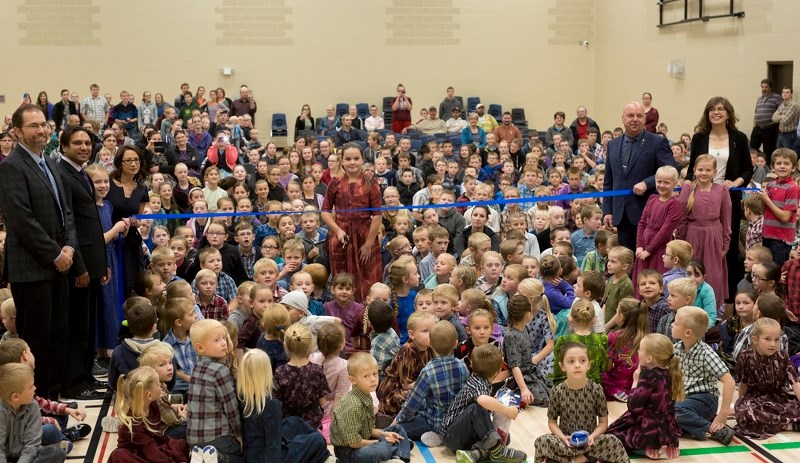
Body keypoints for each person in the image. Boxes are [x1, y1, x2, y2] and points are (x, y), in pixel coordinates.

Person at [0, 105, 77, 400]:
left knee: (58, 335)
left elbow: (65, 213)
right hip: (32, 268)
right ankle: (37, 402)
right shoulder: (11, 166)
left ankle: (53, 399)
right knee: (37, 342)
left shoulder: (50, 162)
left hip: (59, 264)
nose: (41, 130)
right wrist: (55, 254)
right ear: (17, 132)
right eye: (33, 126)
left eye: (44, 124)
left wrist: (68, 247)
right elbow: (21, 221)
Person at [56, 126, 110, 401]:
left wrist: (101, 263)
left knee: (88, 326)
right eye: (77, 143)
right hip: (79, 267)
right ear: (64, 146)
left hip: (92, 261)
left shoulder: (81, 173)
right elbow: (69, 225)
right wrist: (80, 267)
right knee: (77, 327)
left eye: (87, 143)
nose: (84, 147)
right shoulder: (62, 174)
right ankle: (74, 384)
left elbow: (91, 223)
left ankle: (86, 376)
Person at [684, 96, 752, 302]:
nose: (716, 112)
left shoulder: (738, 137)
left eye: (721, 109)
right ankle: (695, 295)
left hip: (726, 194)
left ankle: (728, 301)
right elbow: (690, 170)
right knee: (698, 249)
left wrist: (736, 182)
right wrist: (686, 188)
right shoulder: (699, 137)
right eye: (712, 109)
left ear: (728, 113)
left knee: (727, 248)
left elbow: (748, 169)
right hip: (701, 195)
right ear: (707, 113)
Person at [533, 342, 629, 463]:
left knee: (612, 440)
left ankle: (575, 460)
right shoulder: (557, 391)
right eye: (571, 361)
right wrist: (562, 438)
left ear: (589, 364)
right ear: (562, 366)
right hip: (567, 442)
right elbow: (552, 422)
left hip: (590, 442)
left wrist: (592, 436)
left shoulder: (596, 389)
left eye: (582, 360)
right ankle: (587, 459)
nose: (577, 365)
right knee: (542, 441)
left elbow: (603, 423)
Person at [602, 101, 675, 251]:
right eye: (630, 115)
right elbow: (608, 181)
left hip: (647, 213)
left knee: (645, 259)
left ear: (645, 119)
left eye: (639, 116)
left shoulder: (657, 142)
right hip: (621, 214)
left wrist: (647, 183)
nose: (635, 119)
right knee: (627, 261)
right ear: (622, 118)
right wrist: (608, 211)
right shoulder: (613, 144)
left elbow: (671, 170)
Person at [237, 350, 333, 463]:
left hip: (251, 455)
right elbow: (273, 445)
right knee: (317, 440)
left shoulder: (240, 398)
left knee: (293, 421)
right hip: (270, 458)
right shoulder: (271, 404)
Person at [441, 344, 527, 463]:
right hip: (452, 437)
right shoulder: (478, 384)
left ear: (471, 364)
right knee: (476, 408)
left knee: (503, 437)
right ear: (498, 371)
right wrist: (508, 411)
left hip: (465, 436)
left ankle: (477, 453)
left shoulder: (480, 380)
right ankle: (497, 450)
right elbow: (482, 400)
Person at [320, 143, 382, 303]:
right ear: (342, 160)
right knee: (343, 280)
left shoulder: (372, 183)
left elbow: (377, 216)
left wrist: (368, 244)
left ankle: (369, 318)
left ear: (362, 160)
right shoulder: (334, 183)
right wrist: (338, 230)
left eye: (356, 158)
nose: (352, 162)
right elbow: (325, 211)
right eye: (348, 159)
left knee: (369, 280)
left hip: (365, 236)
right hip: (342, 238)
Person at [607, 333, 683, 460]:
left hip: (648, 429)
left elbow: (633, 407)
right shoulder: (670, 372)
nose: (638, 351)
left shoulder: (648, 375)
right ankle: (664, 444)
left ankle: (648, 447)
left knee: (610, 436)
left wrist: (635, 381)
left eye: (640, 349)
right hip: (667, 428)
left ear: (649, 358)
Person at [330, 352, 411, 463]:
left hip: (363, 439)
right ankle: (396, 450)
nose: (373, 379)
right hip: (349, 452)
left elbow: (366, 429)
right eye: (366, 376)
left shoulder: (365, 394)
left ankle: (398, 456)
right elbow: (354, 443)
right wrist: (380, 441)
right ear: (353, 380)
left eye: (375, 374)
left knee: (397, 429)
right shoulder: (352, 405)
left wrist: (384, 434)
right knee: (382, 448)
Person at [187, 319, 243, 463]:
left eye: (224, 338)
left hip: (193, 440)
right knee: (244, 453)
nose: (224, 343)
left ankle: (199, 457)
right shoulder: (219, 371)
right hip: (218, 438)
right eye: (217, 340)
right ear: (200, 348)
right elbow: (231, 408)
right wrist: (238, 434)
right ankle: (219, 458)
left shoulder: (196, 368)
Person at [107, 366, 189, 463]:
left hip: (152, 445)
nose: (161, 388)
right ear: (149, 395)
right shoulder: (133, 422)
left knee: (181, 444)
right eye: (159, 386)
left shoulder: (153, 405)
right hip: (137, 452)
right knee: (119, 455)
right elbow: (149, 450)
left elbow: (159, 437)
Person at [0, 363, 67, 463]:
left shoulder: (33, 406)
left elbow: (32, 443)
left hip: (26, 457)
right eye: (31, 386)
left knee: (56, 452)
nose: (35, 388)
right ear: (15, 397)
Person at [106, 146, 149, 295]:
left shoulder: (142, 189)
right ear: (119, 163)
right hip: (109, 240)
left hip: (130, 242)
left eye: (136, 160)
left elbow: (139, 216)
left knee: (131, 286)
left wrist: (137, 222)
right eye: (128, 160)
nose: (133, 164)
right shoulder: (108, 184)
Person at [750, 79, 782, 163]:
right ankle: (757, 162)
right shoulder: (759, 99)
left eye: (766, 87)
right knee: (752, 147)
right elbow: (756, 113)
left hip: (769, 128)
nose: (764, 89)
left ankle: (766, 166)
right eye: (762, 87)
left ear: (770, 88)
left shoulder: (777, 97)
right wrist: (754, 126)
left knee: (768, 150)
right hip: (757, 128)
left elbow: (782, 110)